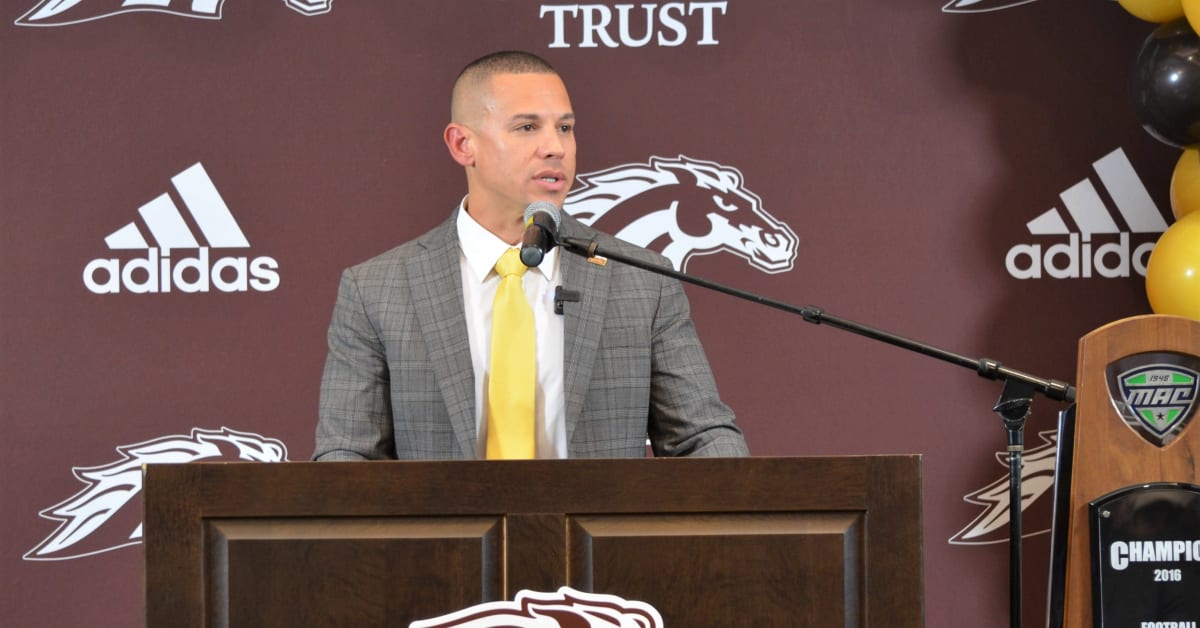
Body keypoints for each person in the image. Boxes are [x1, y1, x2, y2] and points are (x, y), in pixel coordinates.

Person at [313, 50, 747, 460]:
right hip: (447, 543)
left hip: (594, 540)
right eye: (527, 127)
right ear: (463, 144)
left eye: (564, 128)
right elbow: (348, 458)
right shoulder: (377, 290)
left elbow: (701, 436)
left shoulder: (640, 280)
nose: (555, 147)